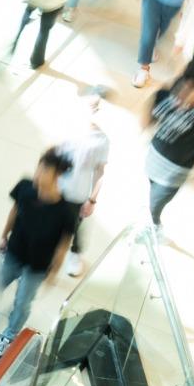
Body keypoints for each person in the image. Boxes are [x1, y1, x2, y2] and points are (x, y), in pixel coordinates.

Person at [0, 149, 80, 351]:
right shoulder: (25, 188)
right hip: (14, 252)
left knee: (23, 302)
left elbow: (63, 244)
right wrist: (3, 236)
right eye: (38, 169)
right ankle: (12, 313)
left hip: (37, 266)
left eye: (44, 172)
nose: (38, 175)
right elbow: (15, 211)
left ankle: (9, 336)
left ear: (57, 176)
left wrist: (54, 271)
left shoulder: (66, 211)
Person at [144, 74, 194, 229]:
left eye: (192, 91)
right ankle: (153, 223)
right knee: (152, 194)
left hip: (171, 176)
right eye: (183, 89)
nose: (184, 94)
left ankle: (155, 226)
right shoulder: (169, 103)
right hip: (153, 164)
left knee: (153, 207)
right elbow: (149, 117)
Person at [55, 91, 112, 279]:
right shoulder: (67, 128)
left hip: (78, 195)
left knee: (76, 227)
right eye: (88, 105)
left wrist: (92, 199)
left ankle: (75, 253)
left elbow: (100, 172)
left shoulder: (101, 140)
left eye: (94, 106)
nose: (91, 110)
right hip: (56, 189)